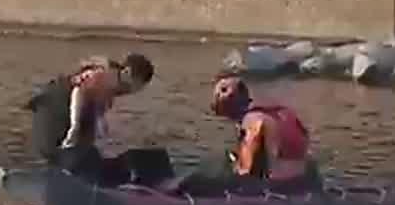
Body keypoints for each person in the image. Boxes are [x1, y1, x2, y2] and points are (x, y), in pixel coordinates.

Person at [25, 53, 157, 184]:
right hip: (55, 106)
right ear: (127, 73)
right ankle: (61, 186)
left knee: (84, 151)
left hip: (63, 104)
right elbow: (79, 92)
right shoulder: (106, 77)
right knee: (62, 150)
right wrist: (75, 126)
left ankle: (73, 181)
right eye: (138, 84)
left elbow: (96, 115)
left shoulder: (113, 82)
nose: (137, 90)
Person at [179, 77, 321, 197]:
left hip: (277, 186)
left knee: (210, 169)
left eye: (223, 91)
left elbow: (248, 171)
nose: (221, 96)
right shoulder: (281, 113)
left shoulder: (252, 121)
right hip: (304, 180)